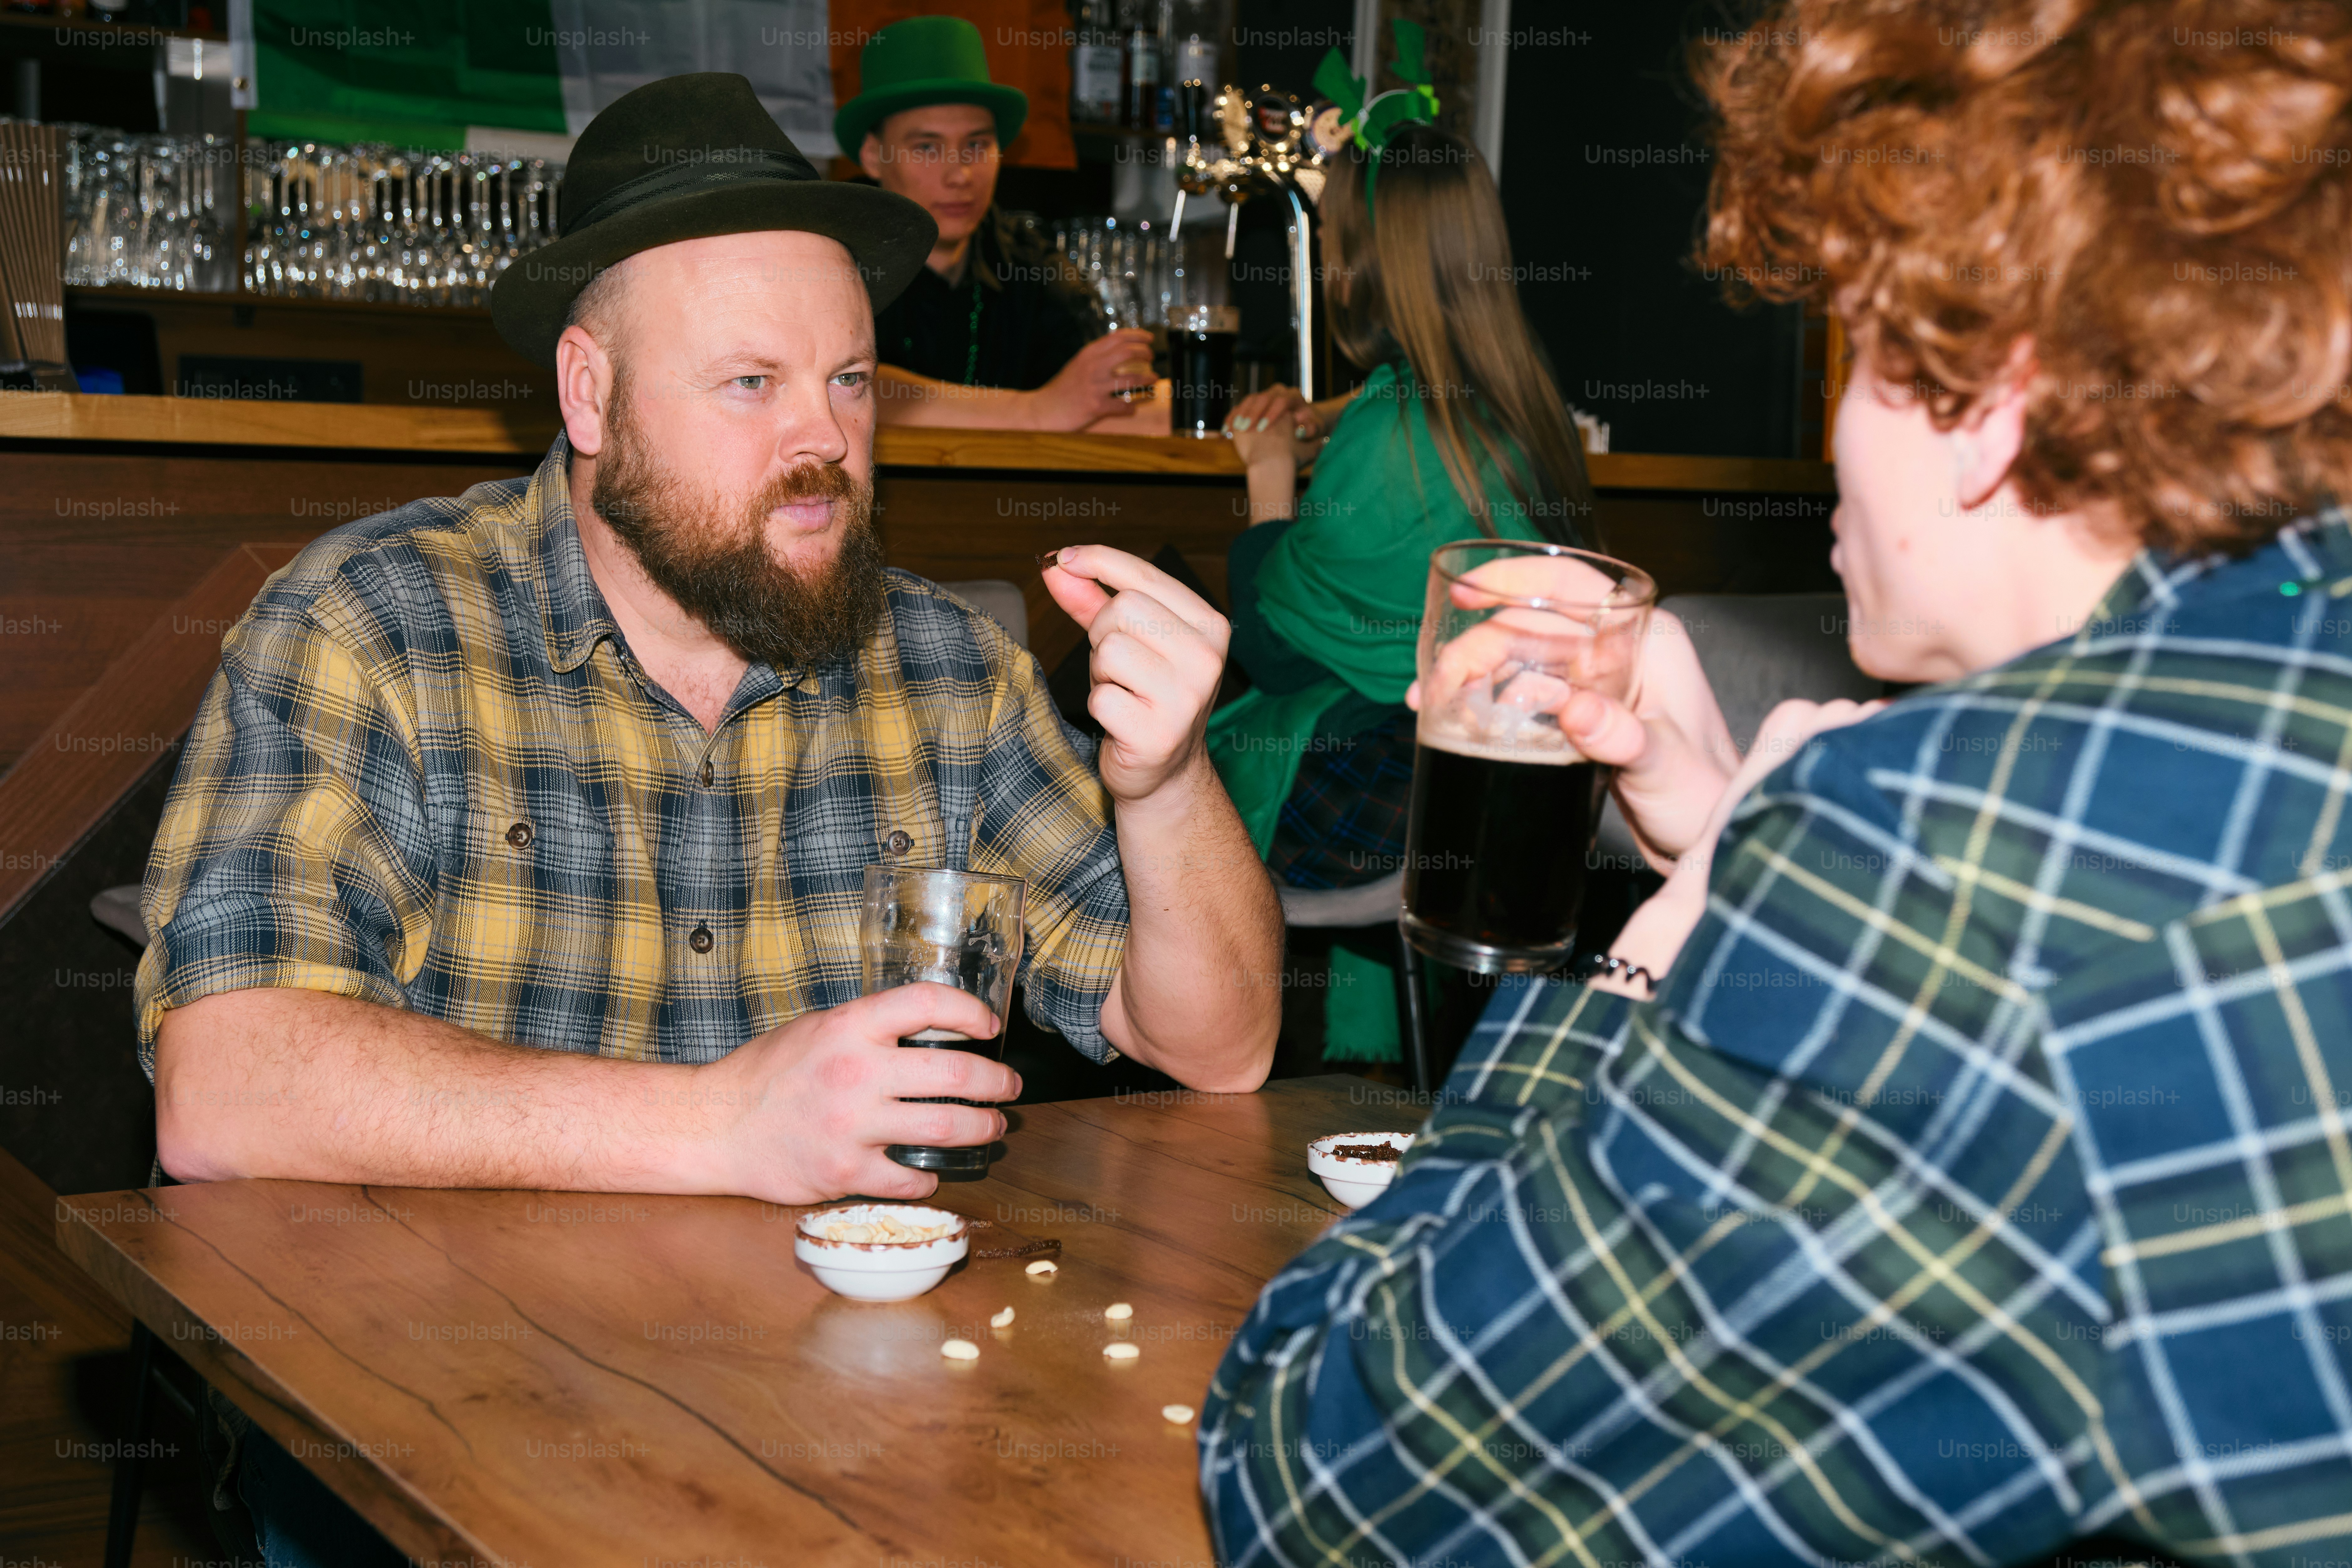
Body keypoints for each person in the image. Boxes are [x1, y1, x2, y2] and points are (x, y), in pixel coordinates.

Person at [1202, 2, 2352, 1563]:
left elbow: (1332, 1485)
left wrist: (1676, 934)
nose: (1832, 434)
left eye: (1863, 347)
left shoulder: (1942, 861)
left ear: (1984, 409)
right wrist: (1741, 822)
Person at [131, 73, 1281, 1563]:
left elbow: (1217, 1038)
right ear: (590, 393)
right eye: (752, 384)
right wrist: (722, 1122)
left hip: (849, 1437)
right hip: (435, 1423)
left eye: (850, 382)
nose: (824, 444)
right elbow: (223, 1085)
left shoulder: (943, 667)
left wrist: (1167, 777)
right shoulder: (371, 626)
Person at [1209, 117, 1598, 1062]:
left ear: (1368, 267)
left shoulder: (1393, 442)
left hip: (1382, 803)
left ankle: (1170, 1045)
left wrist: (1266, 476)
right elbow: (1408, 401)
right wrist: (1336, 414)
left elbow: (1268, 640)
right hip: (1496, 793)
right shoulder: (1521, 405)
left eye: (1340, 245)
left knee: (1124, 747)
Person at [832, 16, 1162, 432]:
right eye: (928, 148)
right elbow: (840, 389)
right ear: (873, 155)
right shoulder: (832, 261)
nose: (960, 175)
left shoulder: (1027, 259)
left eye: (977, 145)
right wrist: (1037, 410)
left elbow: (1118, 393)